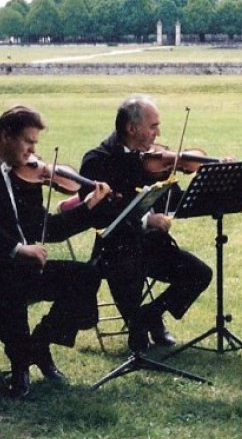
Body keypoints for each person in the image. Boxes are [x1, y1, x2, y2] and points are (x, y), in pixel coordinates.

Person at [0, 105, 113, 398]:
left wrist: (88, 208)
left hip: (17, 268)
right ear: (6, 136)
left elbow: (48, 228)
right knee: (12, 279)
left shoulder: (27, 176)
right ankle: (20, 365)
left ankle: (39, 344)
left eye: (35, 143)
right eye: (28, 141)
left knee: (86, 275)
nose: (33, 150)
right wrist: (16, 250)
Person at [79, 95, 213, 354]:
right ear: (132, 129)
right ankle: (136, 327)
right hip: (116, 251)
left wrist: (210, 176)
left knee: (199, 274)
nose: (158, 132)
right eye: (153, 126)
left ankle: (149, 315)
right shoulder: (98, 160)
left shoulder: (152, 160)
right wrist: (145, 219)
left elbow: (176, 198)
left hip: (152, 246)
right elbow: (100, 214)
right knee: (129, 268)